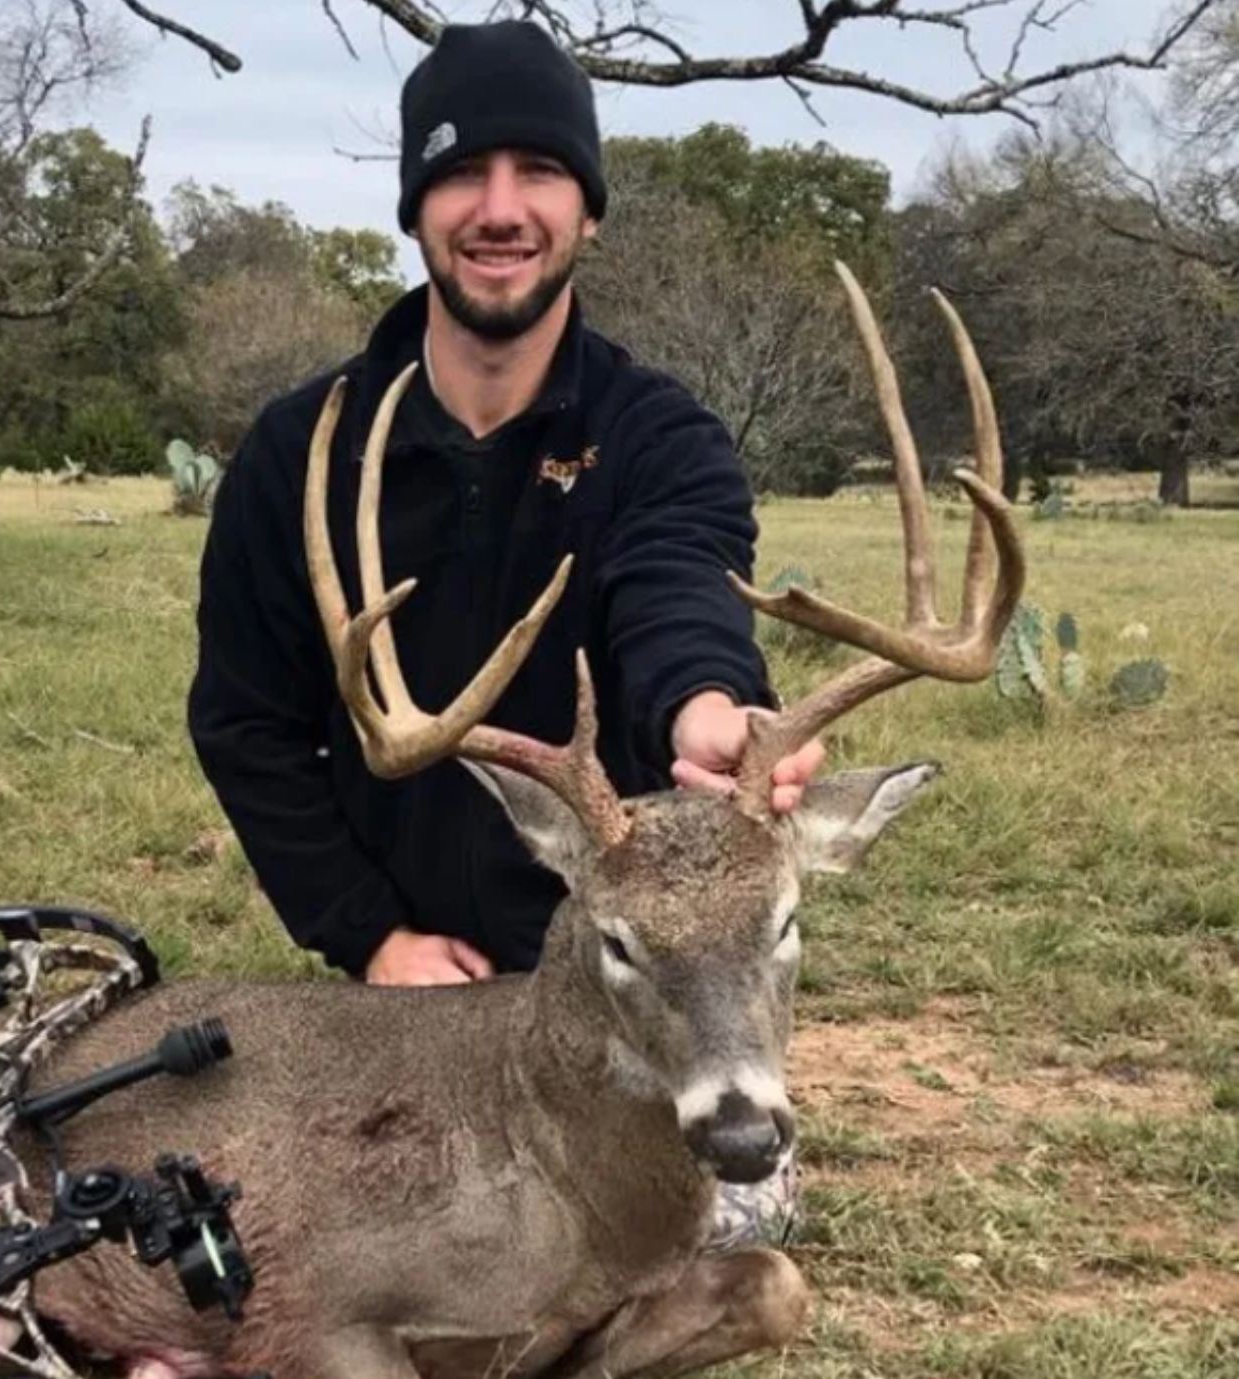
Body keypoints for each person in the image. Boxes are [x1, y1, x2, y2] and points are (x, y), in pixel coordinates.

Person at [188, 20, 823, 990]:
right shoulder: (299, 451)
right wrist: (369, 935)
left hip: (623, 968)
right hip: (399, 985)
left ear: (587, 209)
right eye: (459, 172)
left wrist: (702, 705)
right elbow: (244, 724)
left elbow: (677, 582)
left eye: (538, 169)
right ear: (414, 208)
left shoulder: (659, 436)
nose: (499, 209)